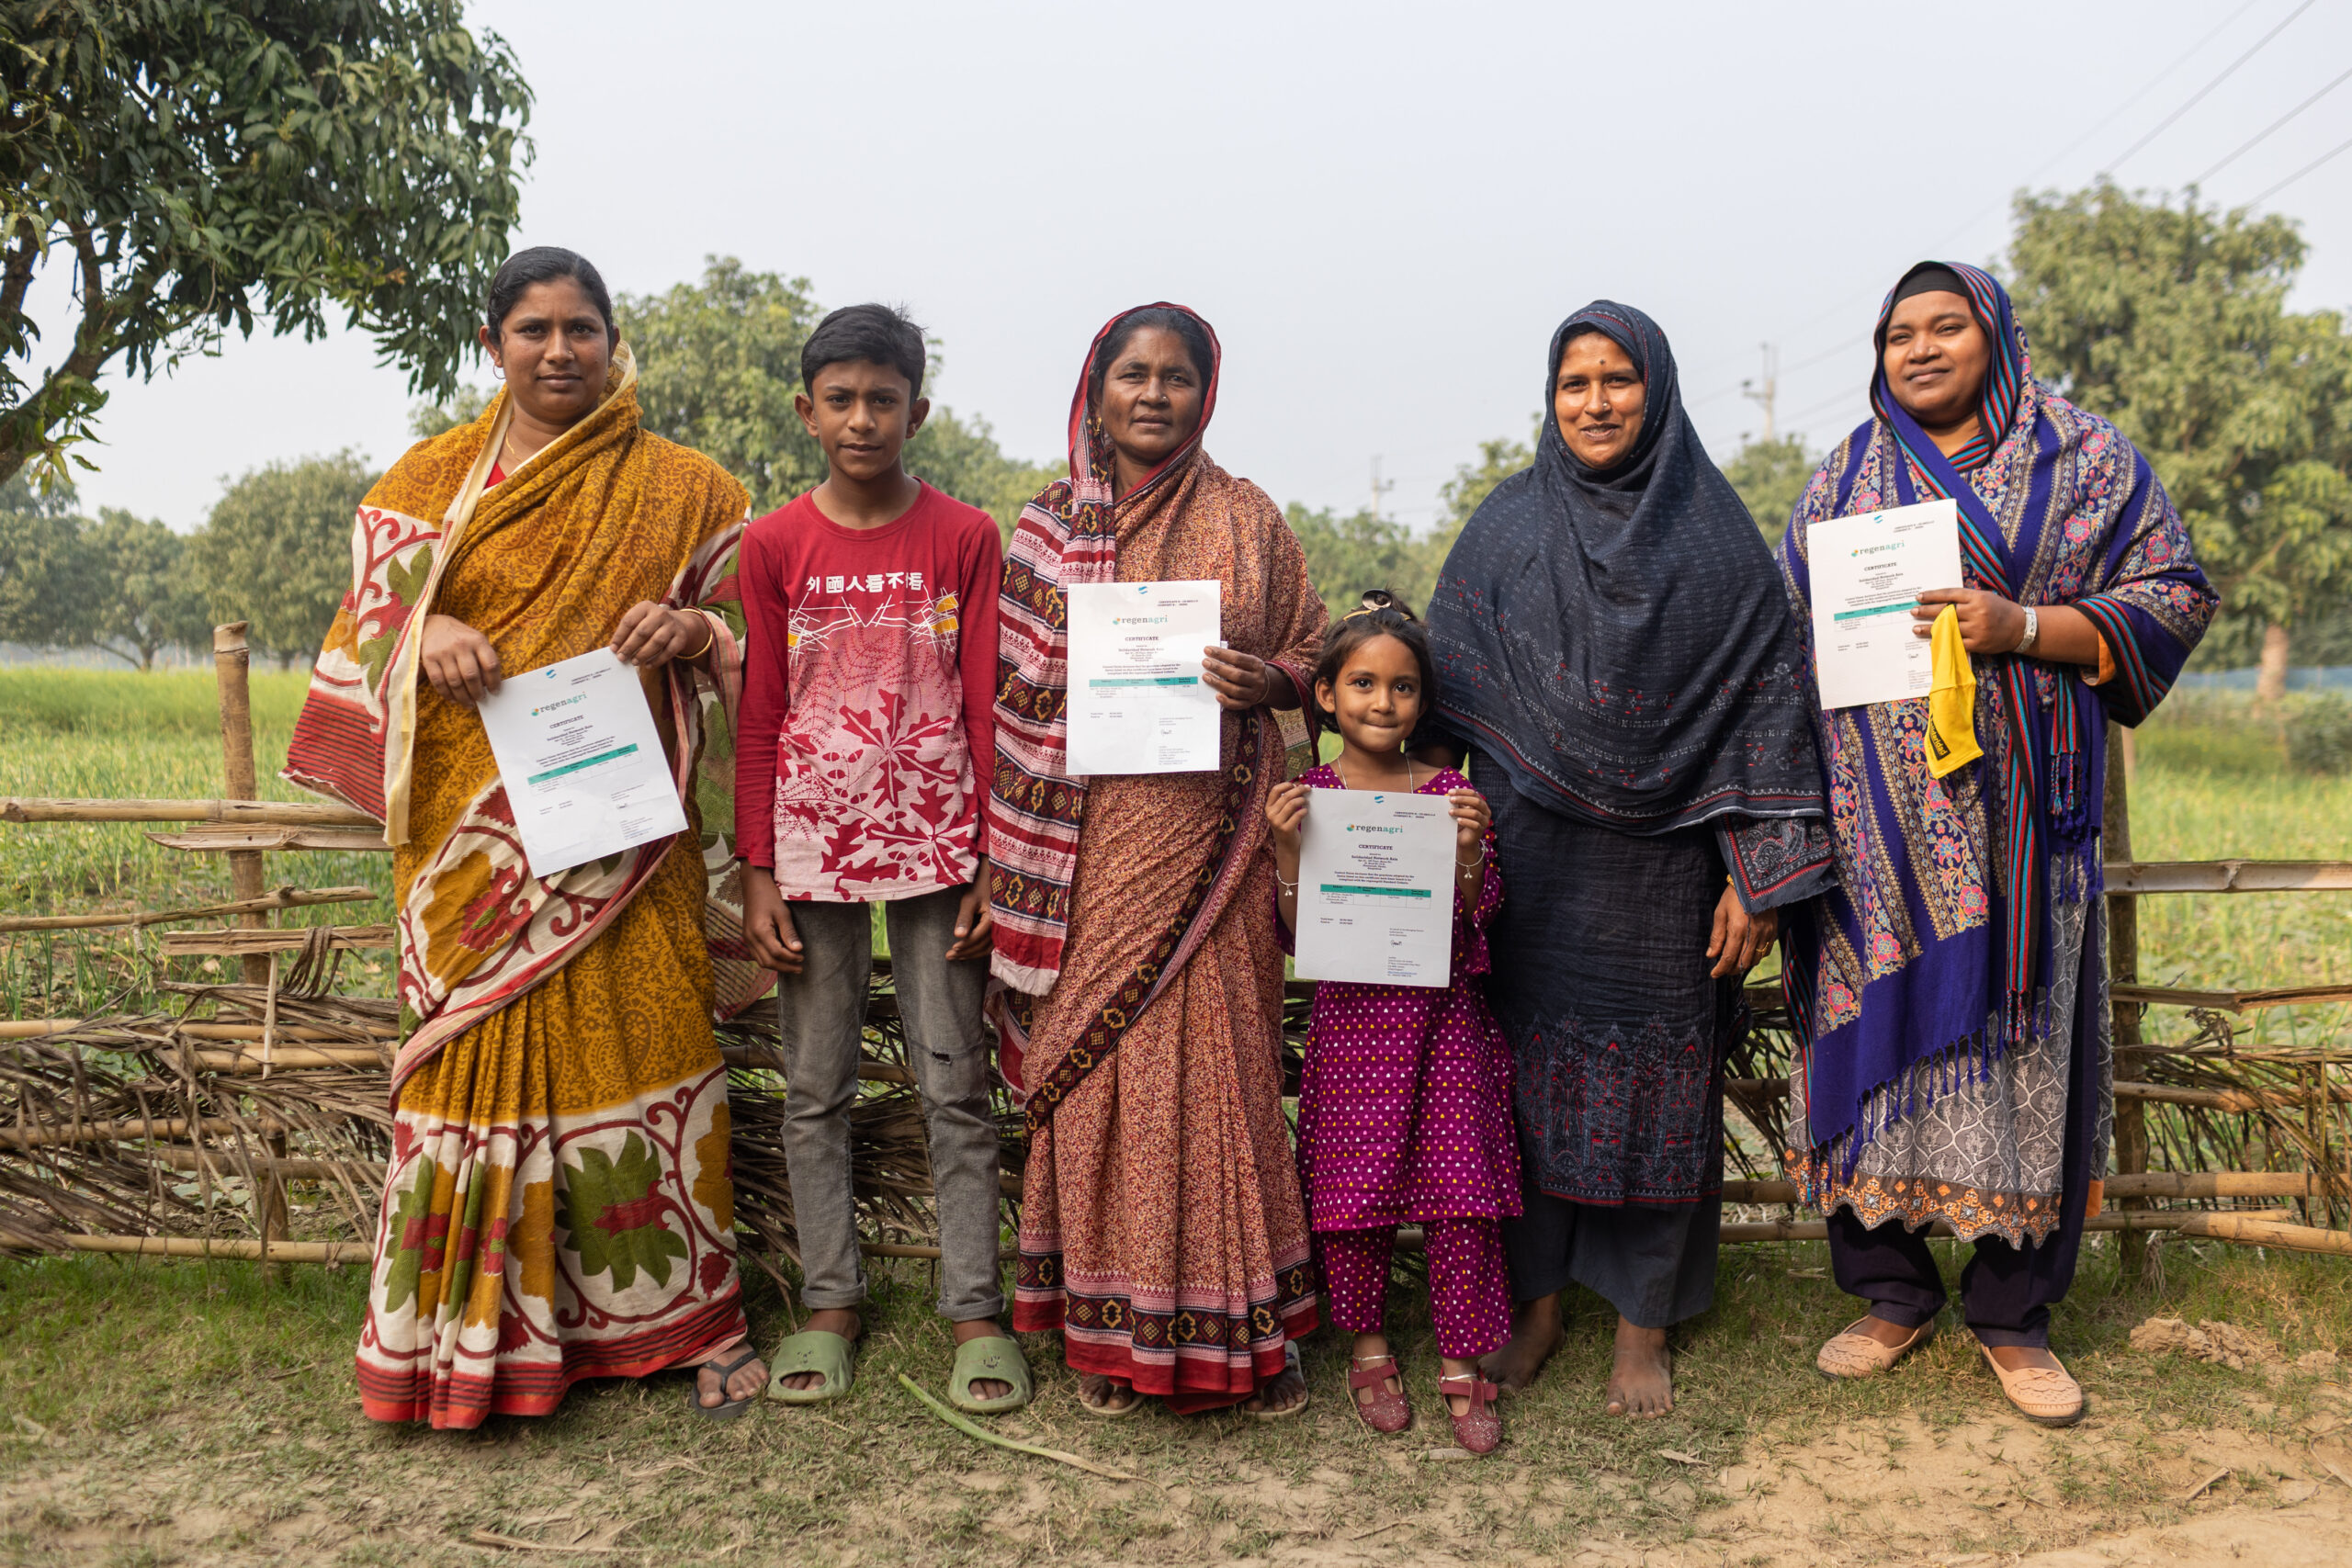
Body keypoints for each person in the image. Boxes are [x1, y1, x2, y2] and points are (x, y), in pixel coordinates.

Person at [286, 246, 770, 1426]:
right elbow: (364, 632)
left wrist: (696, 627)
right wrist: (433, 625)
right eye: (533, 330)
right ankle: (461, 1339)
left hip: (626, 841)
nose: (559, 351)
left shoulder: (691, 490)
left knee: (645, 1041)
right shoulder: (427, 479)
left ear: (614, 340)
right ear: (492, 344)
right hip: (470, 851)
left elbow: (766, 641)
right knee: (470, 1069)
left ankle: (679, 1321)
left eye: (582, 329)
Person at [1776, 261, 2214, 1427]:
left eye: (1944, 327)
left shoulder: (2087, 459)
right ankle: (1887, 1292)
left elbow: (2175, 593)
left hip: (2026, 829)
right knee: (1876, 1055)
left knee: (2028, 1053)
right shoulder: (1842, 482)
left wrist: (2018, 624)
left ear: (1995, 335)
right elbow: (1786, 640)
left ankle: (2015, 1318)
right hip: (1874, 837)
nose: (1918, 350)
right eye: (1897, 333)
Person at [1418, 301, 1837, 1418]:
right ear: (1549, 400)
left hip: (1664, 878)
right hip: (1530, 865)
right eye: (1574, 383)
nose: (1595, 403)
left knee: (1661, 1096)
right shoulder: (1506, 528)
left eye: (1618, 381)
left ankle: (1643, 1328)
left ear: (1657, 389)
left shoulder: (1714, 538)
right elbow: (1439, 696)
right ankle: (1540, 1307)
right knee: (1524, 1093)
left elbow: (1768, 712)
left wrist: (1756, 877)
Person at [988, 303, 1329, 1416]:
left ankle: (1248, 1336)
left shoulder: (1247, 519)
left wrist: (1268, 681)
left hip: (1212, 849)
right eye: (1131, 374)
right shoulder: (1042, 528)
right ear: (1096, 386)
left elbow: (1320, 652)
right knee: (1100, 1073)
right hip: (1079, 853)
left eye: (1175, 377)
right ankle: (1107, 1337)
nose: (1151, 394)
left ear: (1205, 392)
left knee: (1220, 1076)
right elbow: (1004, 692)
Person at [733, 304, 1026, 1414]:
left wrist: (995, 853)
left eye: (885, 399)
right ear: (806, 412)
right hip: (809, 851)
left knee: (954, 1079)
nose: (864, 419)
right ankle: (829, 1302)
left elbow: (987, 701)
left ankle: (974, 1309)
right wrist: (758, 863)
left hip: (943, 842)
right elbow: (762, 707)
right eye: (842, 399)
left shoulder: (964, 536)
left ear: (920, 409)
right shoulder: (772, 545)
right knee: (814, 1089)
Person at [1267, 592, 1519, 1455]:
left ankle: (1462, 1354)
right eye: (1364, 684)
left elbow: (1480, 915)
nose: (1384, 702)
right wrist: (1287, 853)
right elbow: (1297, 932)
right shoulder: (1309, 797)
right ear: (1328, 696)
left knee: (1460, 1196)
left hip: (1445, 1025)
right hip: (1353, 1026)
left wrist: (1472, 852)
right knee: (1354, 1197)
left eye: (1404, 687)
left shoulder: (1449, 796)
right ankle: (1367, 1346)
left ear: (1423, 700)